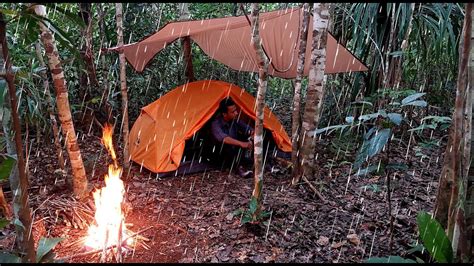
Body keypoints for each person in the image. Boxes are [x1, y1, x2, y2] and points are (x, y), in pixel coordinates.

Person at [209, 97, 254, 178]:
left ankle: (265, 162)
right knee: (227, 145)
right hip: (218, 154)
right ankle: (240, 169)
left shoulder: (235, 120)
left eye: (236, 110)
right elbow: (224, 138)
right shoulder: (215, 124)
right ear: (224, 114)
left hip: (234, 151)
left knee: (244, 138)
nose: (236, 113)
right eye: (233, 112)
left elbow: (248, 129)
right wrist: (242, 144)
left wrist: (251, 136)